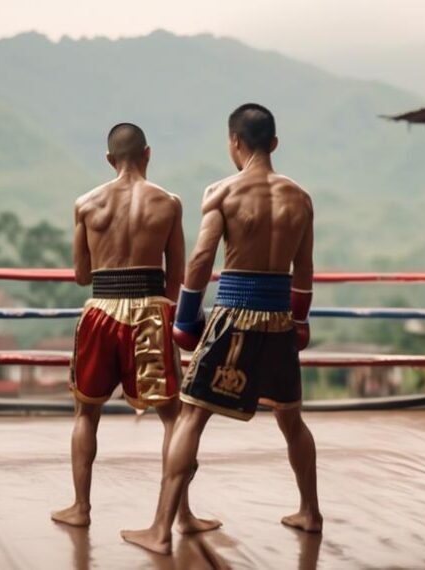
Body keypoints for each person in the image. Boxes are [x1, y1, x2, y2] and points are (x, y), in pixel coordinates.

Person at [122, 104, 322, 555]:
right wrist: (301, 323)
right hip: (280, 319)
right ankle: (310, 512)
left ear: (235, 142)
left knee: (191, 416)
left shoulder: (223, 192)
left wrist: (186, 319)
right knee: (291, 419)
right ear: (273, 143)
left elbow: (199, 260)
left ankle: (160, 529)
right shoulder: (301, 198)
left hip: (234, 316)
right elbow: (304, 268)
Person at [51, 123, 220, 535]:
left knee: (86, 413)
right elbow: (176, 275)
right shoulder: (168, 203)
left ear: (110, 160)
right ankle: (181, 516)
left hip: (100, 314)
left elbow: (80, 274)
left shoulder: (86, 204)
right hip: (151, 312)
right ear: (148, 154)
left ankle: (80, 507)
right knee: (172, 418)